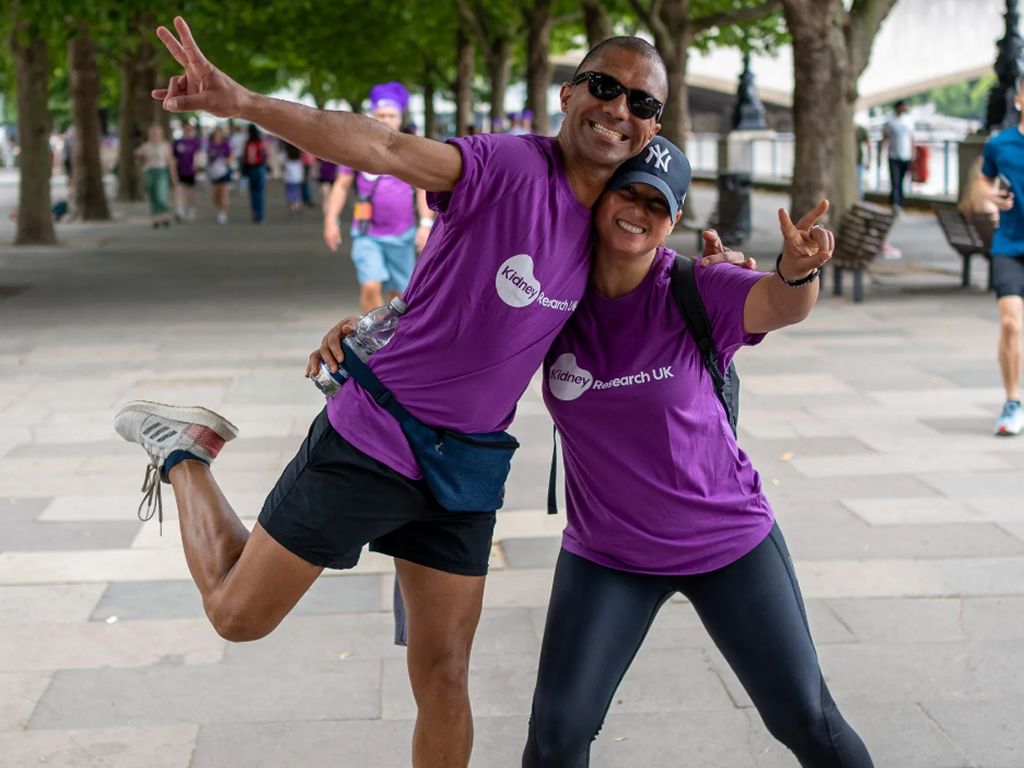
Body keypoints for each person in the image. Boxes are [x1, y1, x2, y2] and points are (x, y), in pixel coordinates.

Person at [117, 21, 724, 768]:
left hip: (466, 470)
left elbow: (651, 293)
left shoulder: (616, 229)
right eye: (604, 86)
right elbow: (382, 148)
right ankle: (184, 453)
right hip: (376, 435)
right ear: (567, 94)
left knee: (444, 674)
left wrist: (732, 275)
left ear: (653, 125)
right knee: (237, 617)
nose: (618, 107)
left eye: (641, 100)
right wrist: (243, 102)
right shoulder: (507, 163)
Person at [522, 137, 872, 767]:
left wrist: (797, 270)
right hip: (609, 552)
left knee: (808, 722)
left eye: (657, 203)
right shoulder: (555, 299)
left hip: (727, 542)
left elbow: (779, 302)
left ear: (675, 220)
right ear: (600, 195)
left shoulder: (696, 285)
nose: (638, 209)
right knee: (556, 737)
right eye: (627, 191)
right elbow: (463, 326)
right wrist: (375, 333)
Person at [322, 82, 434, 313]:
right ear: (372, 115)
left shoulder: (412, 148)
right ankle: (371, 341)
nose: (386, 120)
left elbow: (423, 188)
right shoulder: (357, 149)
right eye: (380, 114)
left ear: (400, 117)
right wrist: (331, 219)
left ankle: (394, 343)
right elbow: (341, 186)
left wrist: (425, 223)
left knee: (399, 297)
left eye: (391, 115)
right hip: (366, 234)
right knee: (371, 287)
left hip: (402, 234)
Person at [980, 74, 1024, 436]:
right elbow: (983, 182)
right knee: (1010, 323)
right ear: (1019, 100)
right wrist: (992, 198)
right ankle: (1013, 401)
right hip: (1009, 246)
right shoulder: (1000, 145)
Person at [135, 124, 179, 229]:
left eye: (157, 133)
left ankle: (165, 215)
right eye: (153, 133)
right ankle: (156, 218)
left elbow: (170, 161)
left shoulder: (165, 145)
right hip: (149, 171)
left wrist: (174, 176)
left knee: (161, 194)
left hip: (161, 171)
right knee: (152, 195)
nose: (155, 135)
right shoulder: (145, 146)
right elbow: (139, 159)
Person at [881, 99, 913, 215]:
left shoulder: (909, 121)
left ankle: (900, 203)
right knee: (895, 181)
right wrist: (882, 153)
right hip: (894, 156)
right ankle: (894, 205)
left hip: (906, 156)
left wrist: (913, 153)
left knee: (903, 182)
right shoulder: (890, 122)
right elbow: (885, 138)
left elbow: (911, 138)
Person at [173, 120, 203, 221]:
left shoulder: (195, 142)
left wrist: (197, 165)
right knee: (180, 190)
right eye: (186, 129)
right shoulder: (178, 142)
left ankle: (191, 208)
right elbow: (174, 157)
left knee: (191, 191)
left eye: (190, 129)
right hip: (180, 170)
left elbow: (198, 154)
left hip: (191, 171)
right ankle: (180, 210)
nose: (188, 131)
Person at [240, 123, 268, 223]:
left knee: (253, 193)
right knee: (259, 193)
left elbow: (244, 158)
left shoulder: (247, 143)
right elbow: (265, 156)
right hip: (260, 169)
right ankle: (260, 215)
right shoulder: (260, 142)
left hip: (251, 170)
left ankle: (255, 214)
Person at [206, 124, 233, 223]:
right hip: (213, 173)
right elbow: (207, 157)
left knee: (224, 192)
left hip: (224, 172)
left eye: (219, 133)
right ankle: (219, 208)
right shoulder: (210, 144)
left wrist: (224, 161)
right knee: (215, 195)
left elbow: (231, 156)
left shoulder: (225, 144)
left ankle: (223, 212)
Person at [282, 141, 304, 215]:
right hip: (297, 178)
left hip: (289, 178)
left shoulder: (287, 157)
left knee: (290, 193)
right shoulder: (298, 157)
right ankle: (296, 205)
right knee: (297, 192)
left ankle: (293, 206)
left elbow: (283, 166)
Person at [855, 122, 870, 200]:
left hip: (859, 161)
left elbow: (868, 144)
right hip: (853, 162)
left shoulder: (861, 130)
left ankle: (860, 200)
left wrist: (868, 160)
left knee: (859, 184)